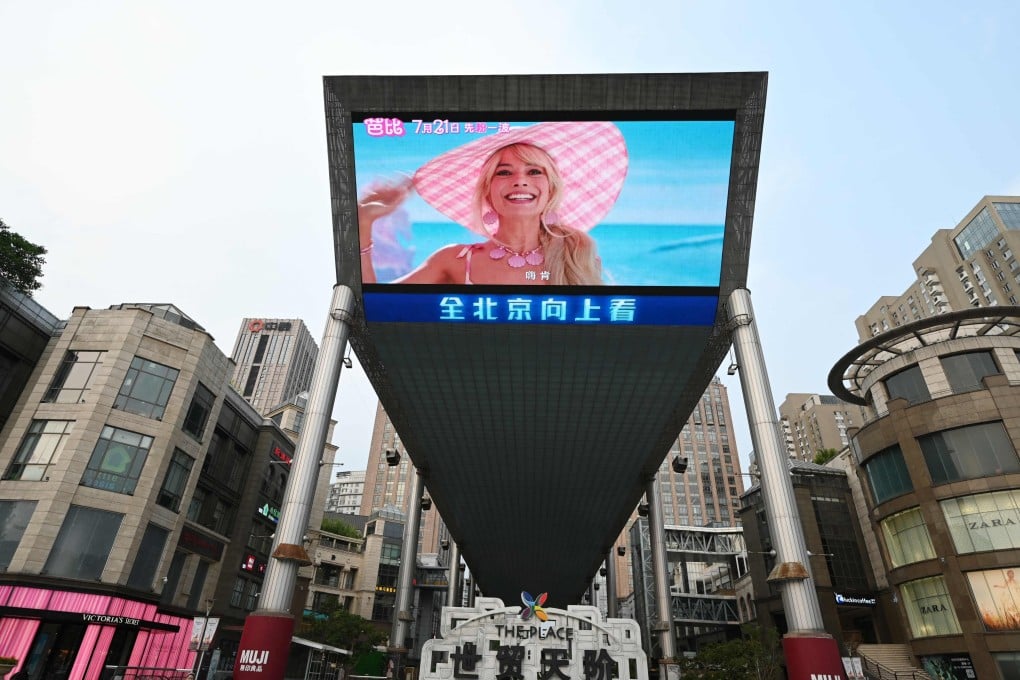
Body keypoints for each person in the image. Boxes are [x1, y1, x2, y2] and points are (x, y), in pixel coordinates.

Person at [357, 120, 628, 286]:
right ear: (487, 190)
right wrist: (363, 222)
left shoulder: (578, 255)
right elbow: (373, 308)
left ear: (551, 188)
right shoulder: (453, 260)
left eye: (535, 171)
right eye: (504, 172)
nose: (520, 181)